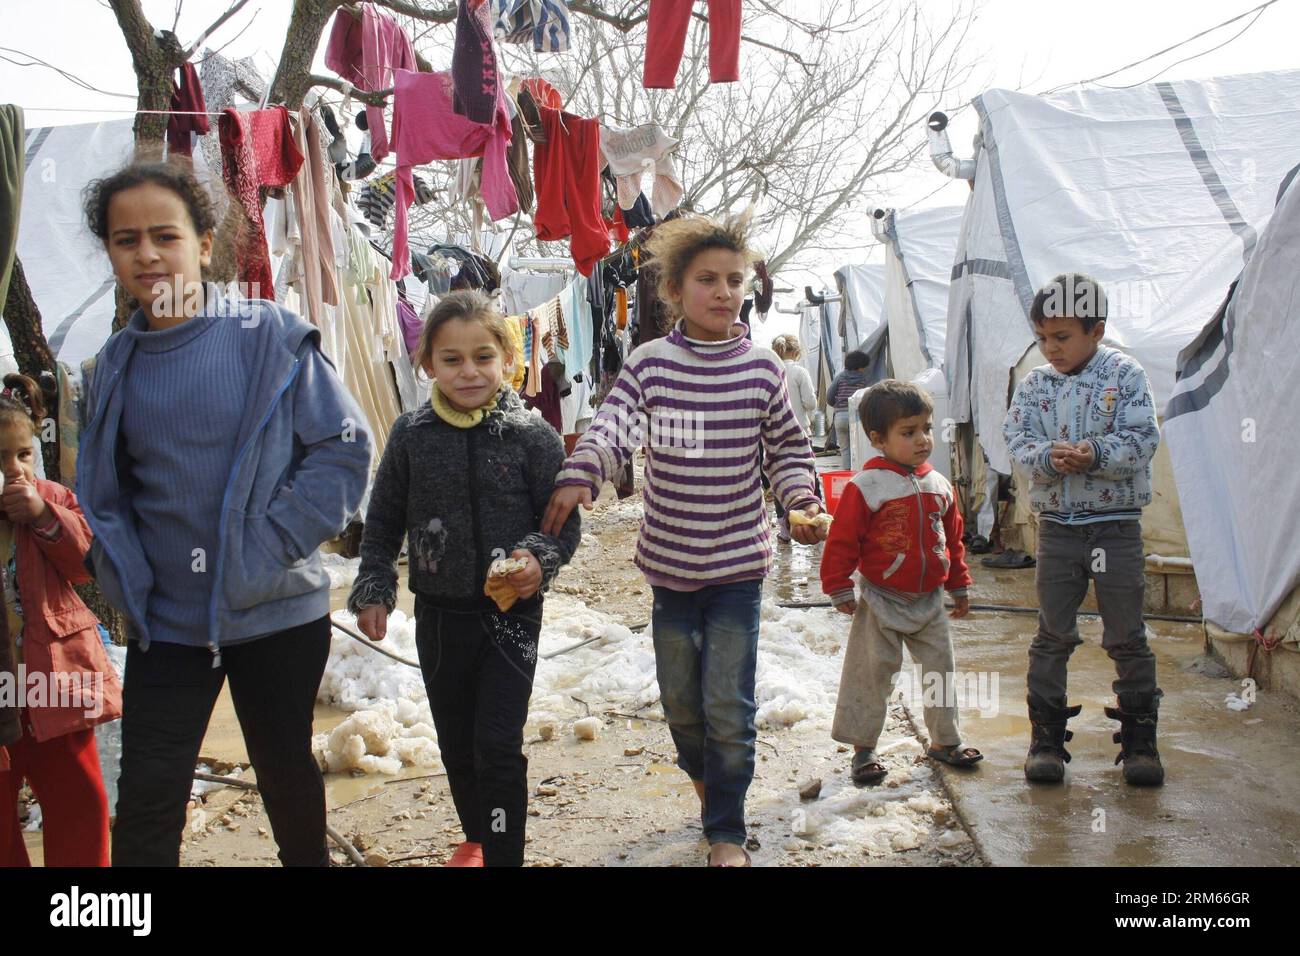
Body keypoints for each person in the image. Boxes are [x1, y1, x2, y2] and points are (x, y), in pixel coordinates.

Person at [77, 161, 373, 866]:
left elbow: (343, 448)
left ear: (204, 243)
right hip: (168, 624)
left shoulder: (267, 335)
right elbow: (110, 493)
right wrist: (123, 575)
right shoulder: (113, 367)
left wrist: (271, 542)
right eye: (126, 240)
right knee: (149, 792)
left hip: (275, 612)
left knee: (285, 775)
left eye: (164, 236)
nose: (147, 254)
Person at [541, 212, 827, 867]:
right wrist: (584, 469)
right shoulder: (651, 366)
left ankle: (725, 829)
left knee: (728, 699)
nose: (725, 292)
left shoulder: (762, 371)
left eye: (735, 280)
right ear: (675, 289)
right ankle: (711, 789)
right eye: (707, 280)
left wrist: (803, 500)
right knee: (681, 704)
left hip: (736, 569)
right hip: (670, 569)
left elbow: (786, 451)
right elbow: (615, 425)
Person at [348, 290, 580, 868]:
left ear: (507, 357)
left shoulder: (533, 436)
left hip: (511, 618)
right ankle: (477, 836)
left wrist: (535, 560)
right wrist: (375, 585)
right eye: (452, 359)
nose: (469, 371)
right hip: (439, 618)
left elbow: (562, 527)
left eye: (483, 356)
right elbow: (381, 526)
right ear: (428, 363)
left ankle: (503, 855)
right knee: (456, 745)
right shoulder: (410, 435)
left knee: (496, 745)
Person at [1003, 273, 1163, 786]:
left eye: (1062, 337)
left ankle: (1140, 743)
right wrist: (1049, 458)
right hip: (1058, 530)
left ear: (1096, 330)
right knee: (1052, 634)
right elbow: (1019, 438)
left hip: (1115, 529)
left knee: (1127, 635)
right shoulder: (1035, 385)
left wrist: (1095, 454)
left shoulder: (1125, 374)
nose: (1051, 349)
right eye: (1043, 338)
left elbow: (1143, 437)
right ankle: (1046, 740)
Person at [821, 379, 980, 786]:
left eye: (926, 428)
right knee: (872, 673)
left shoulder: (939, 484)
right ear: (878, 439)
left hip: (928, 600)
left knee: (939, 673)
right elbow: (843, 539)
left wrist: (958, 583)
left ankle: (945, 741)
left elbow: (953, 539)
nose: (923, 440)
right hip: (880, 598)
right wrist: (838, 584)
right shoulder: (866, 486)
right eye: (908, 433)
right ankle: (863, 749)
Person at [0, 375, 121, 867]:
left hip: (54, 681)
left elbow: (85, 563)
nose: (14, 469)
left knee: (78, 801)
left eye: (23, 454)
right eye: (0, 458)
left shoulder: (52, 498)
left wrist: (42, 513)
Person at [769, 335, 818, 541]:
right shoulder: (799, 372)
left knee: (779, 482)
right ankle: (812, 519)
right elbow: (810, 402)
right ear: (796, 351)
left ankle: (784, 529)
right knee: (806, 478)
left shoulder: (771, 370)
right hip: (800, 433)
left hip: (773, 435)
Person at [826, 350, 872, 470]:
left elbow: (829, 397)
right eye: (863, 367)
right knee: (858, 448)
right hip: (857, 417)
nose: (864, 369)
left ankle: (847, 474)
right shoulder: (864, 380)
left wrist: (836, 405)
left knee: (845, 449)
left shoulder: (840, 377)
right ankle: (858, 472)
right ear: (859, 366)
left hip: (840, 416)